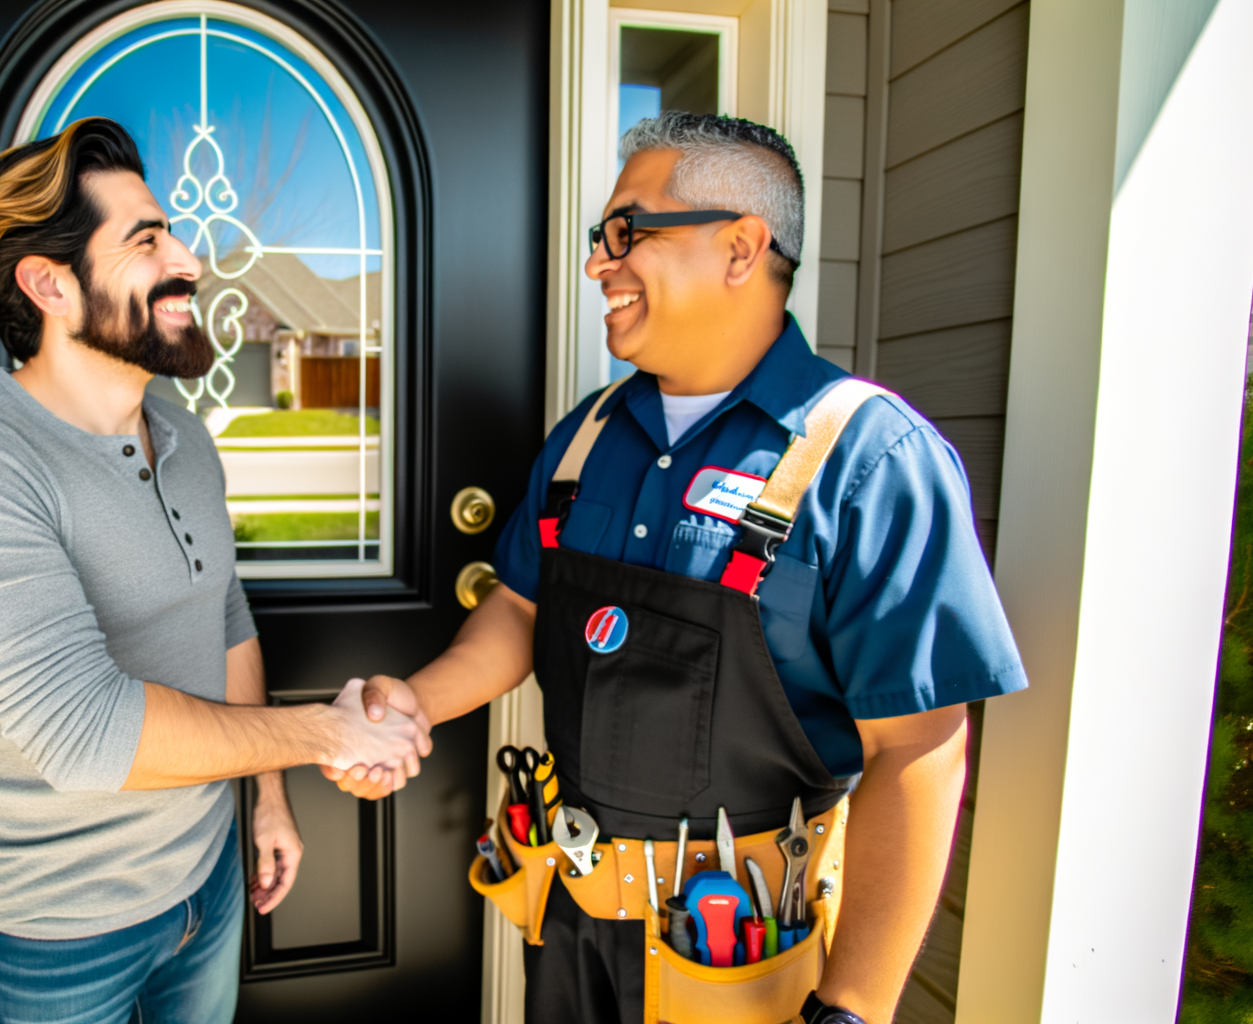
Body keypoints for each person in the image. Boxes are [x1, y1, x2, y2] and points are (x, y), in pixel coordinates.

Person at [327, 112, 1028, 1024]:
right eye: (601, 238)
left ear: (741, 247)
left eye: (628, 232)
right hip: (572, 932)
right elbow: (521, 612)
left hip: (743, 962)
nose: (598, 264)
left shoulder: (870, 460)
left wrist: (852, 1007)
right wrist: (417, 702)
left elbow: (920, 754)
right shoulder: (586, 439)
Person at [0, 117, 431, 1024]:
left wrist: (264, 798)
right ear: (50, 285)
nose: (190, 259)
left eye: (174, 232)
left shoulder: (184, 437)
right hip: (55, 934)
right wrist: (329, 735)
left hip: (206, 884)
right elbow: (90, 733)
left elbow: (224, 617)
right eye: (148, 242)